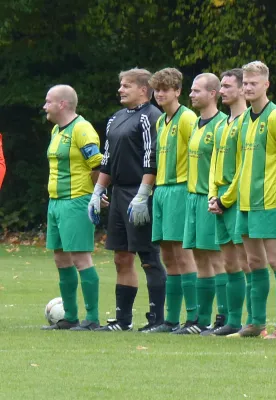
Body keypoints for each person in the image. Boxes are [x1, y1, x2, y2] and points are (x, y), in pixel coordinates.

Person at [89, 68, 167, 332]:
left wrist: (143, 195)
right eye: (120, 85)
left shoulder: (151, 117)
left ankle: (157, 318)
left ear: (143, 89)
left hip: (140, 192)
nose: (120, 90)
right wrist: (98, 191)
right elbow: (107, 160)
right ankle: (123, 320)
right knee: (121, 257)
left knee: (148, 256)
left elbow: (151, 158)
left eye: (126, 86)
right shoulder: (115, 118)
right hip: (119, 194)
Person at [229, 61, 276, 339]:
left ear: (266, 84)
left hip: (268, 201)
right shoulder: (244, 119)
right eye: (245, 83)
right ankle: (256, 323)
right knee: (253, 262)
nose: (248, 88)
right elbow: (240, 162)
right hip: (244, 203)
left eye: (253, 83)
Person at [41, 85, 101, 331]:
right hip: (56, 202)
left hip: (76, 201)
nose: (44, 106)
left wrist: (97, 194)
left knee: (80, 258)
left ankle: (92, 318)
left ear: (62, 104)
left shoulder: (82, 129)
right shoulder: (57, 129)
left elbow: (97, 164)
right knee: (60, 258)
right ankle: (70, 317)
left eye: (48, 102)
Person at [142, 68, 198, 333]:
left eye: (166, 89)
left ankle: (195, 318)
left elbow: (198, 156)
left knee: (183, 255)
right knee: (168, 255)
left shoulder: (188, 118)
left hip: (180, 189)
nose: (160, 94)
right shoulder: (160, 121)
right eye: (157, 89)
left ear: (178, 91)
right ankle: (171, 320)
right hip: (162, 192)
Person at [172, 73, 228, 335]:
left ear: (213, 94)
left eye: (196, 91)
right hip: (192, 199)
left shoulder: (222, 124)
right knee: (199, 259)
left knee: (217, 260)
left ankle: (224, 316)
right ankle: (201, 319)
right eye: (191, 91)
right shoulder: (195, 124)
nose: (191, 95)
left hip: (210, 199)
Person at [207, 68, 252, 336]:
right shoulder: (222, 123)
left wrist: (226, 199)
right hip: (220, 199)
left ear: (241, 90)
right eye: (221, 86)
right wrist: (213, 193)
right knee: (229, 263)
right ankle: (232, 321)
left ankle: (253, 319)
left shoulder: (248, 121)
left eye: (226, 86)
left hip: (236, 200)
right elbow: (215, 163)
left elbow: (244, 166)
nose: (222, 90)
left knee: (247, 262)